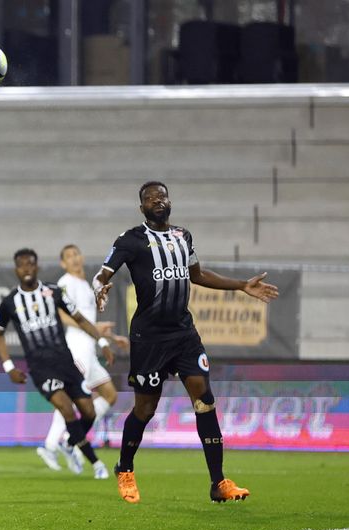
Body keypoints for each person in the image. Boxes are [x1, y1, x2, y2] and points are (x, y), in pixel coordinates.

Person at [93, 181, 279, 504]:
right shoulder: (130, 240)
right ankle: (124, 468)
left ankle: (218, 482)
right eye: (150, 198)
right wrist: (100, 287)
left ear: (169, 201)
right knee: (145, 408)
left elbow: (198, 274)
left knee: (204, 399)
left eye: (162, 196)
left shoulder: (183, 236)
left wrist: (240, 286)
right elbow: (102, 273)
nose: (157, 201)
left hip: (183, 334)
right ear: (142, 208)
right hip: (149, 338)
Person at [0, 248, 114, 477]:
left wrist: (103, 343)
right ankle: (96, 464)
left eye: (30, 264)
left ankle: (69, 444)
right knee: (66, 409)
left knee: (88, 412)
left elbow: (79, 318)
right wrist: (9, 367)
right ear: (16, 270)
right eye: (21, 265)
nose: (26, 269)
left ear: (37, 267)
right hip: (41, 368)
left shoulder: (54, 292)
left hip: (66, 361)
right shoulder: (10, 302)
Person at [36, 244, 129, 479]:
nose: (75, 259)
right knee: (68, 396)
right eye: (69, 256)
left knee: (109, 394)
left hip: (89, 348)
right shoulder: (66, 282)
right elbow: (60, 314)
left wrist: (110, 337)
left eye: (77, 254)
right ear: (63, 263)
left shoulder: (85, 285)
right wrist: (93, 331)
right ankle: (49, 445)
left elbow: (87, 322)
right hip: (77, 347)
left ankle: (69, 440)